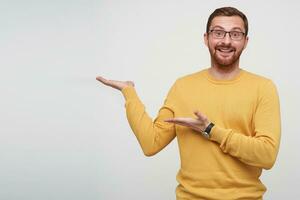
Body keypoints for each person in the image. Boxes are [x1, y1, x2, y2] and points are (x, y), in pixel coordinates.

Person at [96, 6, 281, 200]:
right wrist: (129, 93)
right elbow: (151, 143)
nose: (226, 41)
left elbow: (267, 156)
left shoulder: (263, 88)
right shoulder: (183, 86)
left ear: (245, 41)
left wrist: (211, 130)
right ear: (206, 38)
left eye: (235, 34)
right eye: (218, 33)